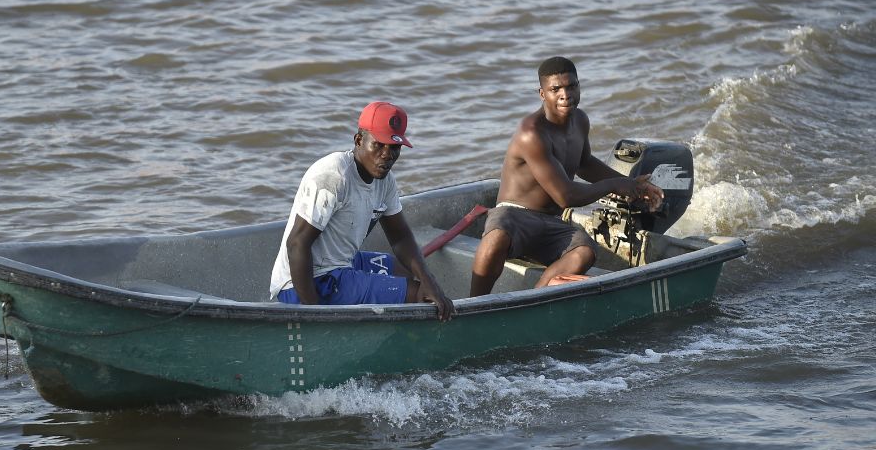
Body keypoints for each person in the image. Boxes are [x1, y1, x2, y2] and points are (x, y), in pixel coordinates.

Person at [470, 56, 664, 295]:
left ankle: (533, 303)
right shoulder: (531, 133)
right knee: (496, 237)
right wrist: (616, 184)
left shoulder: (580, 120)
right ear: (543, 94)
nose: (565, 94)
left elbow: (585, 164)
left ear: (579, 86)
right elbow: (566, 197)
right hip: (514, 216)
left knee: (584, 253)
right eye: (555, 89)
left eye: (571, 86)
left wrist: (632, 186)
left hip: (552, 222)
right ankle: (473, 304)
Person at [269, 101, 453, 321]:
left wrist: (428, 279)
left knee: (409, 275)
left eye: (394, 147)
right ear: (358, 140)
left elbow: (401, 238)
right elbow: (297, 244)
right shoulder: (334, 175)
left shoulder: (385, 181)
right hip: (310, 281)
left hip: (343, 263)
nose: (387, 155)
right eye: (378, 145)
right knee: (418, 296)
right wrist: (315, 315)